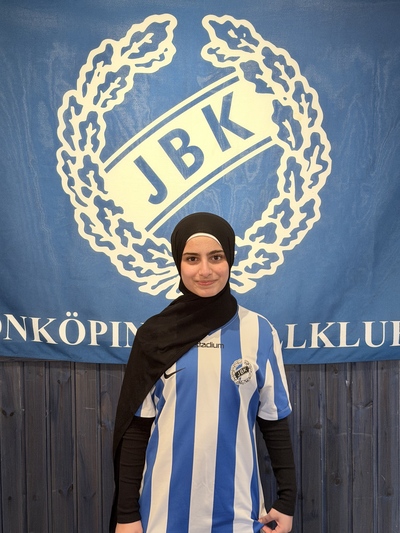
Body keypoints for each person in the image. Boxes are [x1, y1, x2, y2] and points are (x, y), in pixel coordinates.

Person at [110, 212, 297, 533]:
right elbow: (136, 430)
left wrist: (287, 500)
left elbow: (274, 422)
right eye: (192, 259)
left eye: (216, 257)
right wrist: (126, 515)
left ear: (230, 259)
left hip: (238, 514)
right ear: (178, 264)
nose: (205, 270)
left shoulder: (260, 332)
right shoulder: (154, 336)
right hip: (161, 513)